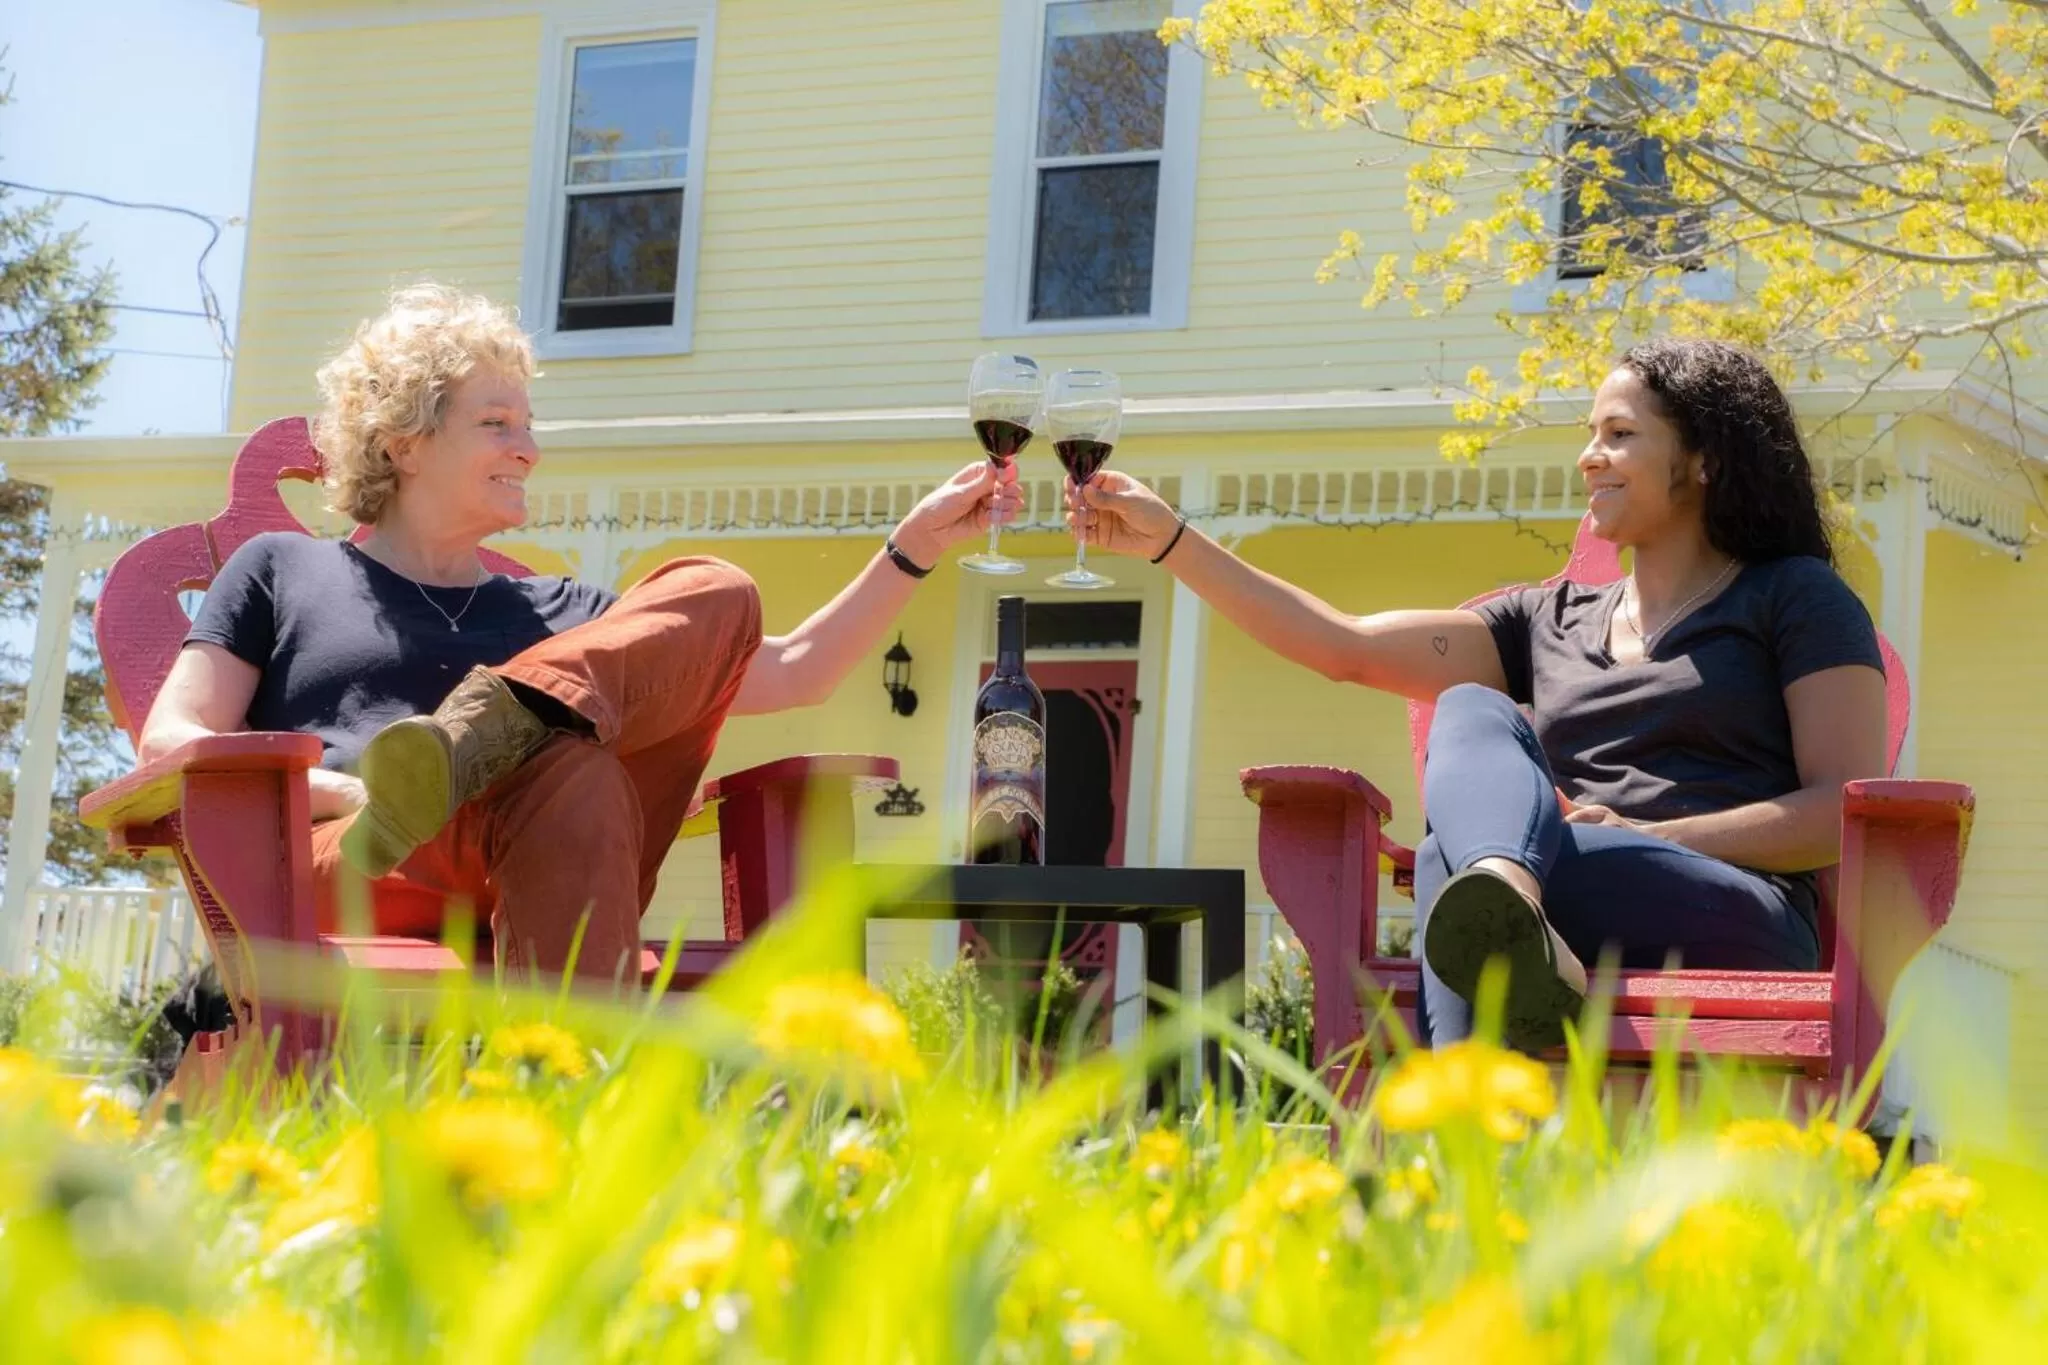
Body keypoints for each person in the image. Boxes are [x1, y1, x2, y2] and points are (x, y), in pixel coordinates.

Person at [139, 284, 1020, 987]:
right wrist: (337, 789)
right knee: (577, 766)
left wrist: (919, 545)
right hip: (370, 853)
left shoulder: (563, 614)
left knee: (714, 593)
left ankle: (474, 742)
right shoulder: (284, 570)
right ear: (403, 442)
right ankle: (578, 1108)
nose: (528, 448)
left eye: (528, 426)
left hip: (549, 851)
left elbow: (797, 671)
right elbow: (171, 736)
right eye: (496, 424)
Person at [1064, 338, 1887, 1051]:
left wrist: (1650, 830)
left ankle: (1459, 1135)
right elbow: (1342, 646)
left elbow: (1840, 815)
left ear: (1704, 460)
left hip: (1732, 906)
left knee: (1442, 858)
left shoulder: (1795, 599)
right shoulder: (1545, 620)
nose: (1588, 457)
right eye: (1589, 435)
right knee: (1468, 710)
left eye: (1620, 434)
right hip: (1561, 892)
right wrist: (1171, 542)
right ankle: (1502, 899)